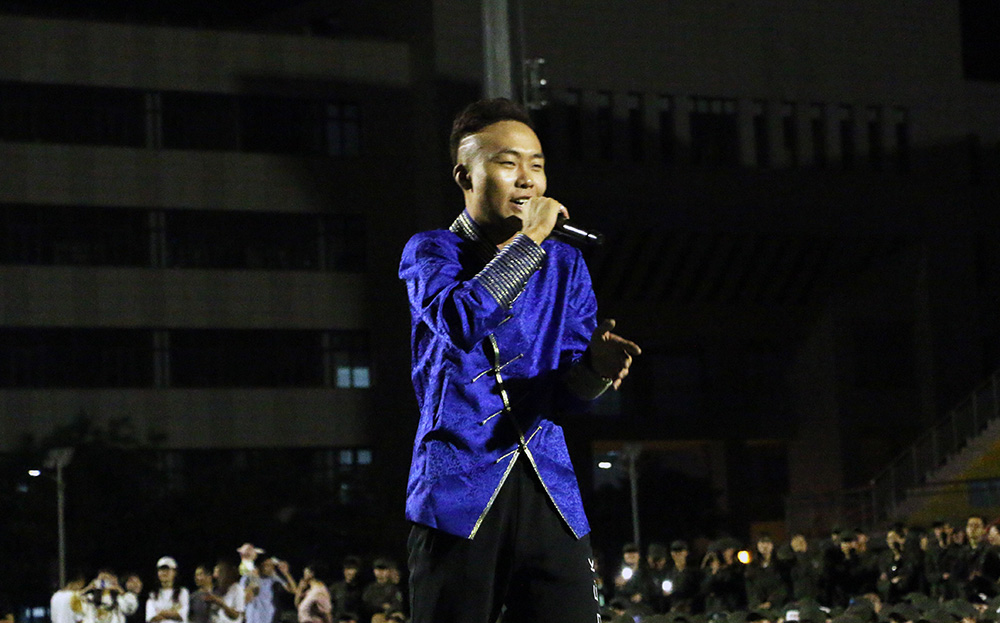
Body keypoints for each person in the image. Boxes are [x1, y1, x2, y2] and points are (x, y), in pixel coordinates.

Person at [399, 97, 641, 623]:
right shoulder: (431, 251)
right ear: (465, 176)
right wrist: (531, 239)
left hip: (548, 484)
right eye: (508, 164)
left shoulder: (566, 264)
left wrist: (596, 370)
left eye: (537, 165)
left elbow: (566, 397)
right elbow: (460, 320)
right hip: (456, 489)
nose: (528, 179)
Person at [146, 557, 190, 623]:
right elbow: (151, 619)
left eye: (167, 570)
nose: (164, 573)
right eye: (161, 570)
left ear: (174, 572)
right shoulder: (153, 595)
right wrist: (172, 612)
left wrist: (160, 612)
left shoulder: (183, 592)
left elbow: (181, 616)